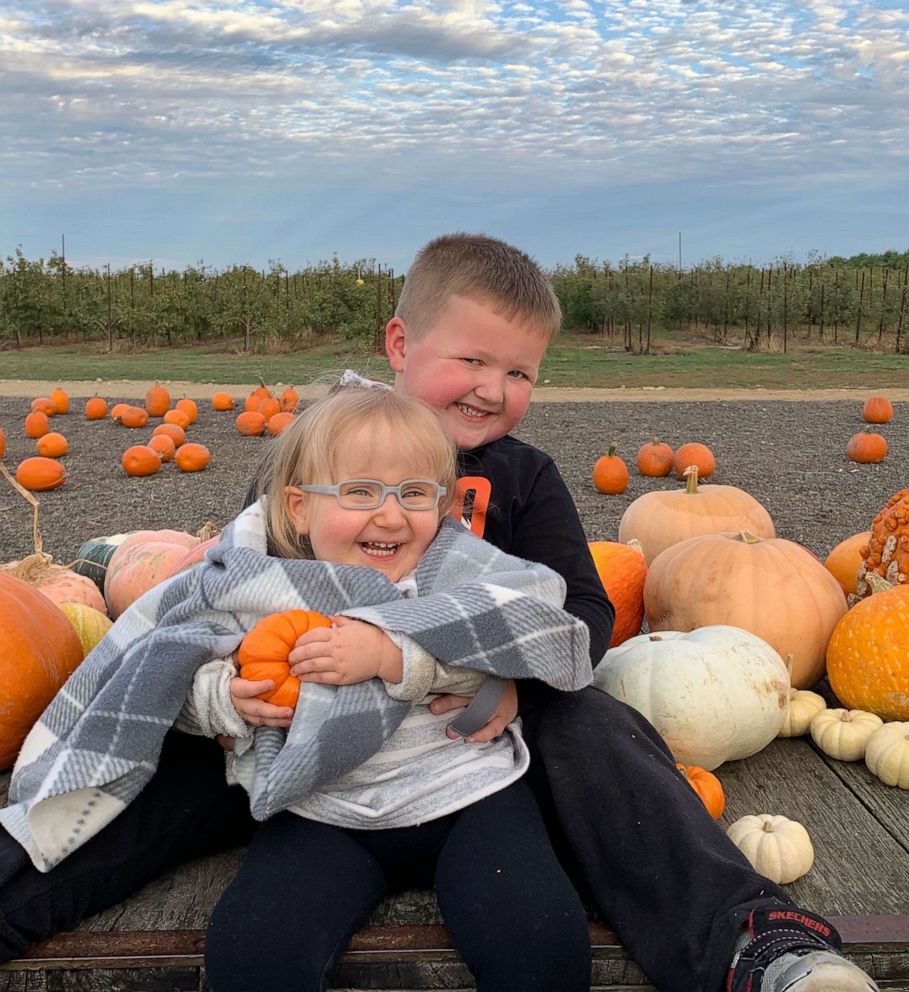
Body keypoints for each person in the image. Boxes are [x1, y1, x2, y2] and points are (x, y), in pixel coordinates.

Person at [0, 232, 878, 992]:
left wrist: (495, 678)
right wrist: (233, 698)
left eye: (519, 371)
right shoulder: (306, 457)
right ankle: (16, 887)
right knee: (155, 735)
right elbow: (235, 591)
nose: (492, 388)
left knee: (593, 724)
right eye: (471, 360)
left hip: (474, 743)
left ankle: (750, 941)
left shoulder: (522, 478)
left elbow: (576, 609)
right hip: (302, 752)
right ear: (399, 342)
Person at [2, 387, 593, 992]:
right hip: (323, 809)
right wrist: (222, 701)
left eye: (414, 494)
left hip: (470, 799)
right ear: (300, 507)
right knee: (253, 955)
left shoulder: (458, 572)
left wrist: (399, 656)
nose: (390, 516)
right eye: (359, 492)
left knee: (542, 945)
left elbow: (532, 626)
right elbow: (164, 668)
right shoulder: (257, 585)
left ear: (441, 505)